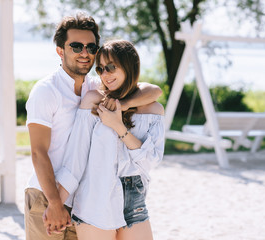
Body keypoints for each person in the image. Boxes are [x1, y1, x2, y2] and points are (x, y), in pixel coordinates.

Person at [25, 13, 162, 240]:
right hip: (47, 195)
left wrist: (123, 105)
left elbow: (153, 91)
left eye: (91, 47)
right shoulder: (46, 91)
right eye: (76, 46)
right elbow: (38, 153)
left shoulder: (96, 85)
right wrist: (55, 203)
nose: (84, 53)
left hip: (82, 199)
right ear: (61, 51)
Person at [52, 39, 165, 240]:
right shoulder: (93, 101)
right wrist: (56, 205)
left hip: (134, 202)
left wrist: (118, 126)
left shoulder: (153, 110)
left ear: (129, 66)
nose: (105, 74)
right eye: (100, 69)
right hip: (94, 202)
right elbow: (75, 160)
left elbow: (152, 160)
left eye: (111, 67)